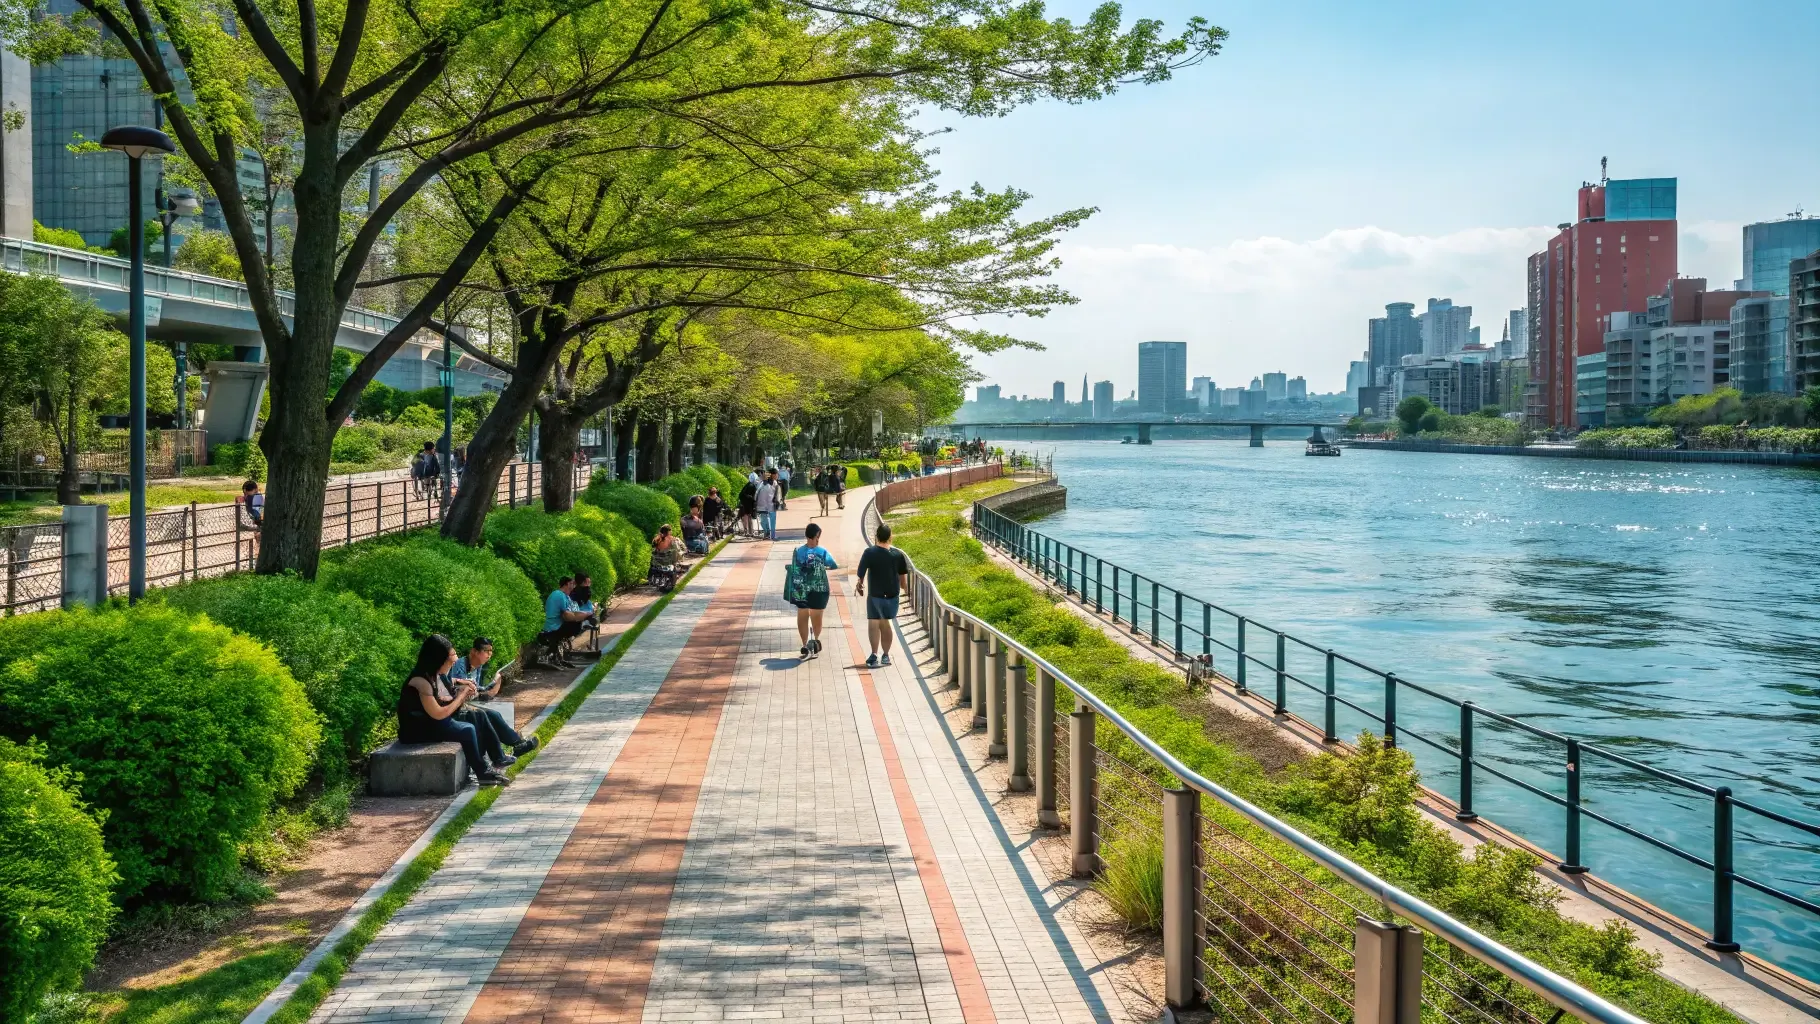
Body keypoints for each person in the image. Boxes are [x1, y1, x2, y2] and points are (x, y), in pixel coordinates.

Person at [397, 634, 511, 786]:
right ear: (438, 659)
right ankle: (482, 772)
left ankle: (490, 761)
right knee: (467, 729)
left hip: (429, 722)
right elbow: (439, 714)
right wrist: (462, 695)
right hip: (416, 730)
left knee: (476, 716)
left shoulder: (433, 674)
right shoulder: (420, 681)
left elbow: (447, 683)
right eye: (450, 658)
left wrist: (460, 682)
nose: (454, 661)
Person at [445, 636, 541, 758]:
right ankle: (511, 748)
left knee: (494, 714)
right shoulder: (460, 665)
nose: (489, 655)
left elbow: (478, 690)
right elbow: (461, 691)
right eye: (486, 651)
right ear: (474, 651)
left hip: (466, 703)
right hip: (457, 707)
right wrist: (487, 688)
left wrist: (494, 685)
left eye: (491, 652)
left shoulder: (478, 666)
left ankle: (515, 745)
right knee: (491, 715)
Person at [854, 521, 912, 667]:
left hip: (875, 595)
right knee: (885, 623)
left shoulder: (869, 552)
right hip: (892, 596)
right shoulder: (898, 555)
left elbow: (861, 574)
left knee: (874, 623)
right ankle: (886, 655)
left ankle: (874, 654)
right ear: (890, 537)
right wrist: (909, 594)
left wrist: (860, 584)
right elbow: (903, 581)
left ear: (876, 536)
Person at [791, 522, 838, 659]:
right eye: (818, 536)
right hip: (820, 589)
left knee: (802, 616)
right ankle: (815, 640)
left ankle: (805, 644)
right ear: (815, 536)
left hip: (802, 590)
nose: (819, 539)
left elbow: (795, 570)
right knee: (817, 617)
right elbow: (833, 565)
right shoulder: (822, 552)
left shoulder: (799, 552)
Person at [538, 576, 591, 666]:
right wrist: (585, 615)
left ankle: (556, 657)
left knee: (577, 623)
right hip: (552, 627)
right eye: (571, 584)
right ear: (566, 584)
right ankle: (550, 656)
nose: (573, 586)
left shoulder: (565, 596)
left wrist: (584, 615)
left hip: (558, 625)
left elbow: (573, 611)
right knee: (575, 625)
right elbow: (567, 615)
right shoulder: (559, 595)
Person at [755, 471, 778, 540]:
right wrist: (755, 502)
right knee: (763, 521)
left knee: (772, 521)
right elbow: (756, 493)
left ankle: (772, 535)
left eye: (767, 477)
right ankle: (767, 532)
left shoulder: (774, 483)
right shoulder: (761, 484)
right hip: (762, 505)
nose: (765, 479)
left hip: (771, 505)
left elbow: (776, 493)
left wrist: (776, 500)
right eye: (764, 477)